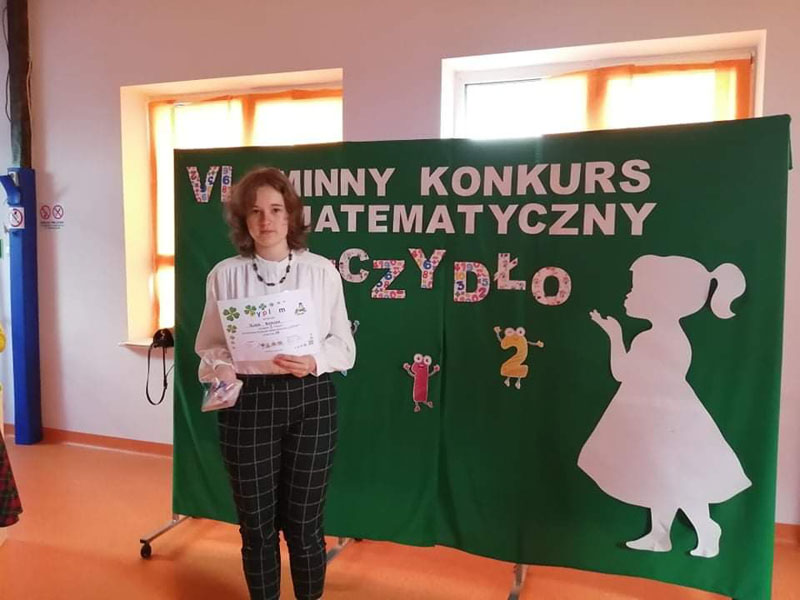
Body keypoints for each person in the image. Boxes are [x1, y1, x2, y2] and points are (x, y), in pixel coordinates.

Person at [195, 167, 356, 599]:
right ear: (243, 220)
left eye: (276, 209)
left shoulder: (321, 272)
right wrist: (220, 369)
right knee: (257, 527)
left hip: (310, 402)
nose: (266, 220)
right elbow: (210, 346)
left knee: (305, 525)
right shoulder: (225, 274)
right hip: (247, 404)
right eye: (255, 211)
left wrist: (314, 360)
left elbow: (344, 346)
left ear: (291, 216)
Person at [580, 255, 750, 559]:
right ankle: (660, 534)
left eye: (635, 289)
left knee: (674, 476)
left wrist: (615, 335)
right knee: (660, 475)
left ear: (661, 297)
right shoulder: (670, 336)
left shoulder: (653, 338)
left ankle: (705, 528)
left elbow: (622, 372)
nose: (628, 295)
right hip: (663, 413)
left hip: (661, 416)